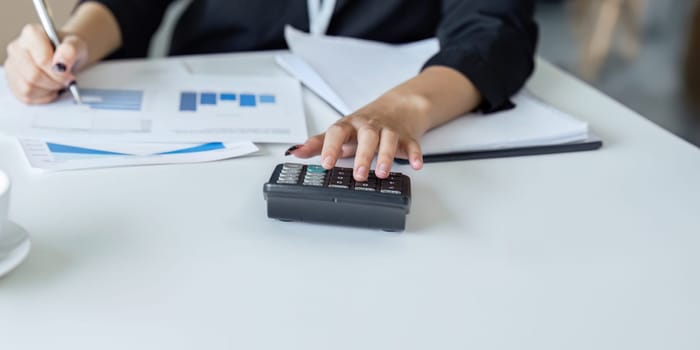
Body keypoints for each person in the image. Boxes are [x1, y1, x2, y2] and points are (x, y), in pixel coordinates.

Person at [4, 0, 538, 181]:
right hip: (209, 128)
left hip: (377, 130)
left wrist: (403, 107)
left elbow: (493, 29)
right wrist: (71, 45)